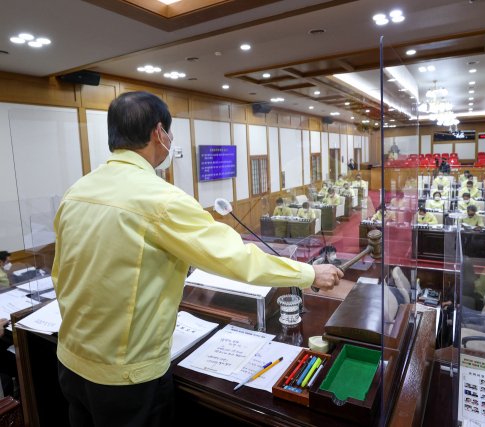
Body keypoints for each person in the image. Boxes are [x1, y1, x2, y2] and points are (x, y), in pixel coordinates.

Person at [51, 91, 343, 427]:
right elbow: (236, 258)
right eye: (170, 134)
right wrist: (307, 273)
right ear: (160, 133)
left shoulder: (77, 190)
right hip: (127, 375)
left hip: (71, 361)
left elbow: (62, 274)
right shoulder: (161, 199)